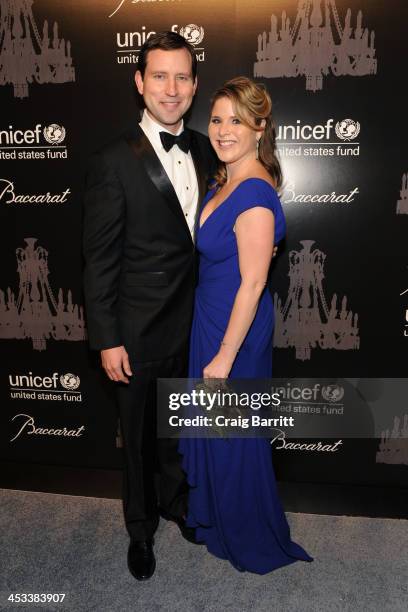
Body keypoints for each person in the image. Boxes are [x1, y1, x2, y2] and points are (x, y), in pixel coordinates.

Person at [82, 32, 217, 581]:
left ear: (194, 85)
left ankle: (176, 504)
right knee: (137, 439)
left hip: (194, 325)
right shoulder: (112, 161)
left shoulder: (209, 149)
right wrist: (107, 338)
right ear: (139, 82)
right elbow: (99, 259)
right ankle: (140, 530)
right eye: (159, 76)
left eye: (181, 77)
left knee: (177, 428)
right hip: (135, 331)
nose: (171, 88)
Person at [179, 77, 313, 574]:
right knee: (219, 433)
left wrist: (225, 356)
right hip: (210, 318)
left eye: (237, 119)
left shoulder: (253, 191)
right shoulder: (225, 179)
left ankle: (249, 532)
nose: (223, 129)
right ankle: (217, 520)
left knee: (234, 436)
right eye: (216, 118)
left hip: (234, 330)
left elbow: (254, 283)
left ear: (260, 128)